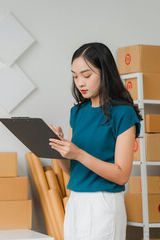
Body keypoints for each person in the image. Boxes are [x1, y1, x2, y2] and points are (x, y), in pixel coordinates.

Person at [49, 42, 142, 240]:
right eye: (75, 76)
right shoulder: (77, 112)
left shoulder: (123, 114)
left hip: (103, 204)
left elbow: (121, 175)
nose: (80, 83)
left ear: (105, 72)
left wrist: (78, 153)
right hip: (75, 201)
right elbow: (72, 170)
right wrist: (60, 149)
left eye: (86, 75)